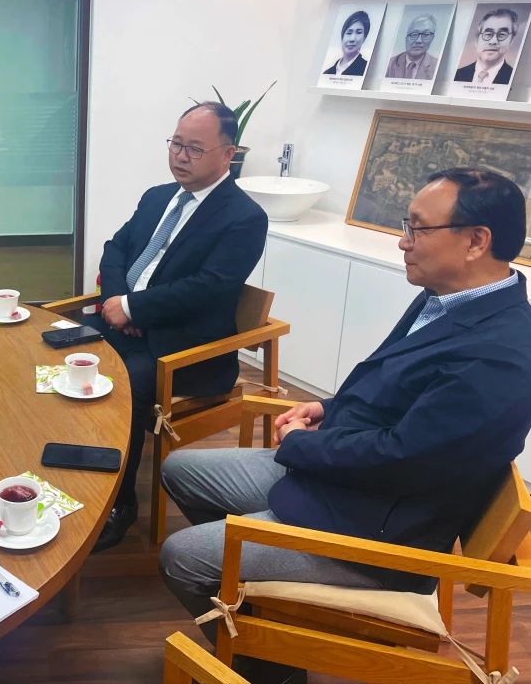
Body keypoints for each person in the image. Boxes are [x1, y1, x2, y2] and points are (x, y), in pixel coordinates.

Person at [159, 169, 531, 673]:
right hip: (348, 484)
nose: (403, 241)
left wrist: (299, 445)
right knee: (180, 469)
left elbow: (403, 459)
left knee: (182, 556)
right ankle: (261, 609)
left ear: (476, 241)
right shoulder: (448, 298)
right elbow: (393, 389)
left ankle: (268, 670)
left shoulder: (498, 356)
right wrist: (327, 409)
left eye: (418, 228)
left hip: (379, 533)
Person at [87, 102, 268, 552]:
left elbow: (208, 289)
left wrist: (134, 309)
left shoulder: (244, 217)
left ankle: (118, 503)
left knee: (122, 383)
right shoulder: (157, 196)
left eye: (194, 149)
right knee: (57, 345)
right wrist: (116, 303)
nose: (181, 156)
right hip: (129, 323)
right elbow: (115, 248)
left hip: (183, 350)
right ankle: (71, 469)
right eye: (176, 144)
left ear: (228, 154)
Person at [454, 8, 519, 84]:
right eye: (488, 34)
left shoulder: (516, 79)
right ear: (477, 40)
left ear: (511, 41)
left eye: (502, 34)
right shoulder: (457, 75)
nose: (493, 41)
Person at [384, 14, 439, 79]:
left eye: (426, 34)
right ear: (406, 38)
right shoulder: (389, 64)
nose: (419, 40)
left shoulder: (437, 66)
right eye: (414, 34)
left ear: (432, 38)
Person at [323, 10, 371, 76]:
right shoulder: (327, 73)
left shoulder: (367, 69)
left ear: (364, 38)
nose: (352, 39)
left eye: (358, 32)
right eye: (349, 33)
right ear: (342, 36)